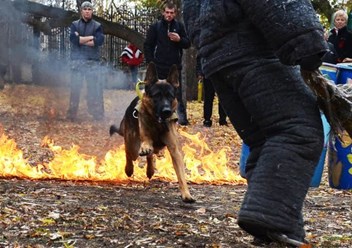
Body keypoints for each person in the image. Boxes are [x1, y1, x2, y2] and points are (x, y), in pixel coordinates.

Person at [183, 0, 328, 246]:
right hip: (252, 54)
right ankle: (267, 217)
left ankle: (281, 231)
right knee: (299, 130)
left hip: (218, 62)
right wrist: (307, 43)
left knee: (264, 140)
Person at [144, 2, 191, 125]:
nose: (169, 15)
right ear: (163, 12)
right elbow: (148, 45)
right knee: (157, 93)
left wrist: (179, 39)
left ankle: (180, 120)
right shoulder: (156, 27)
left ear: (175, 13)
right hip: (159, 67)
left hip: (174, 67)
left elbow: (187, 43)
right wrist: (151, 63)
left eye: (171, 13)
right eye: (167, 12)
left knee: (176, 94)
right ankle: (156, 117)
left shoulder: (179, 26)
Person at [67, 1, 105, 121]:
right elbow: (73, 39)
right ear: (81, 11)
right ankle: (71, 115)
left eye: (89, 9)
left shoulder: (97, 26)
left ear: (92, 11)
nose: (87, 11)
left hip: (92, 62)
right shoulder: (74, 24)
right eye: (85, 9)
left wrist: (81, 39)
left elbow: (99, 41)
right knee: (75, 89)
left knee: (94, 89)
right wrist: (90, 37)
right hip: (77, 62)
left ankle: (97, 115)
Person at [196, 57, 227, 127]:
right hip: (208, 72)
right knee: (208, 97)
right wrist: (199, 72)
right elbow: (200, 56)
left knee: (222, 97)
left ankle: (223, 119)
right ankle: (207, 119)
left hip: (221, 72)